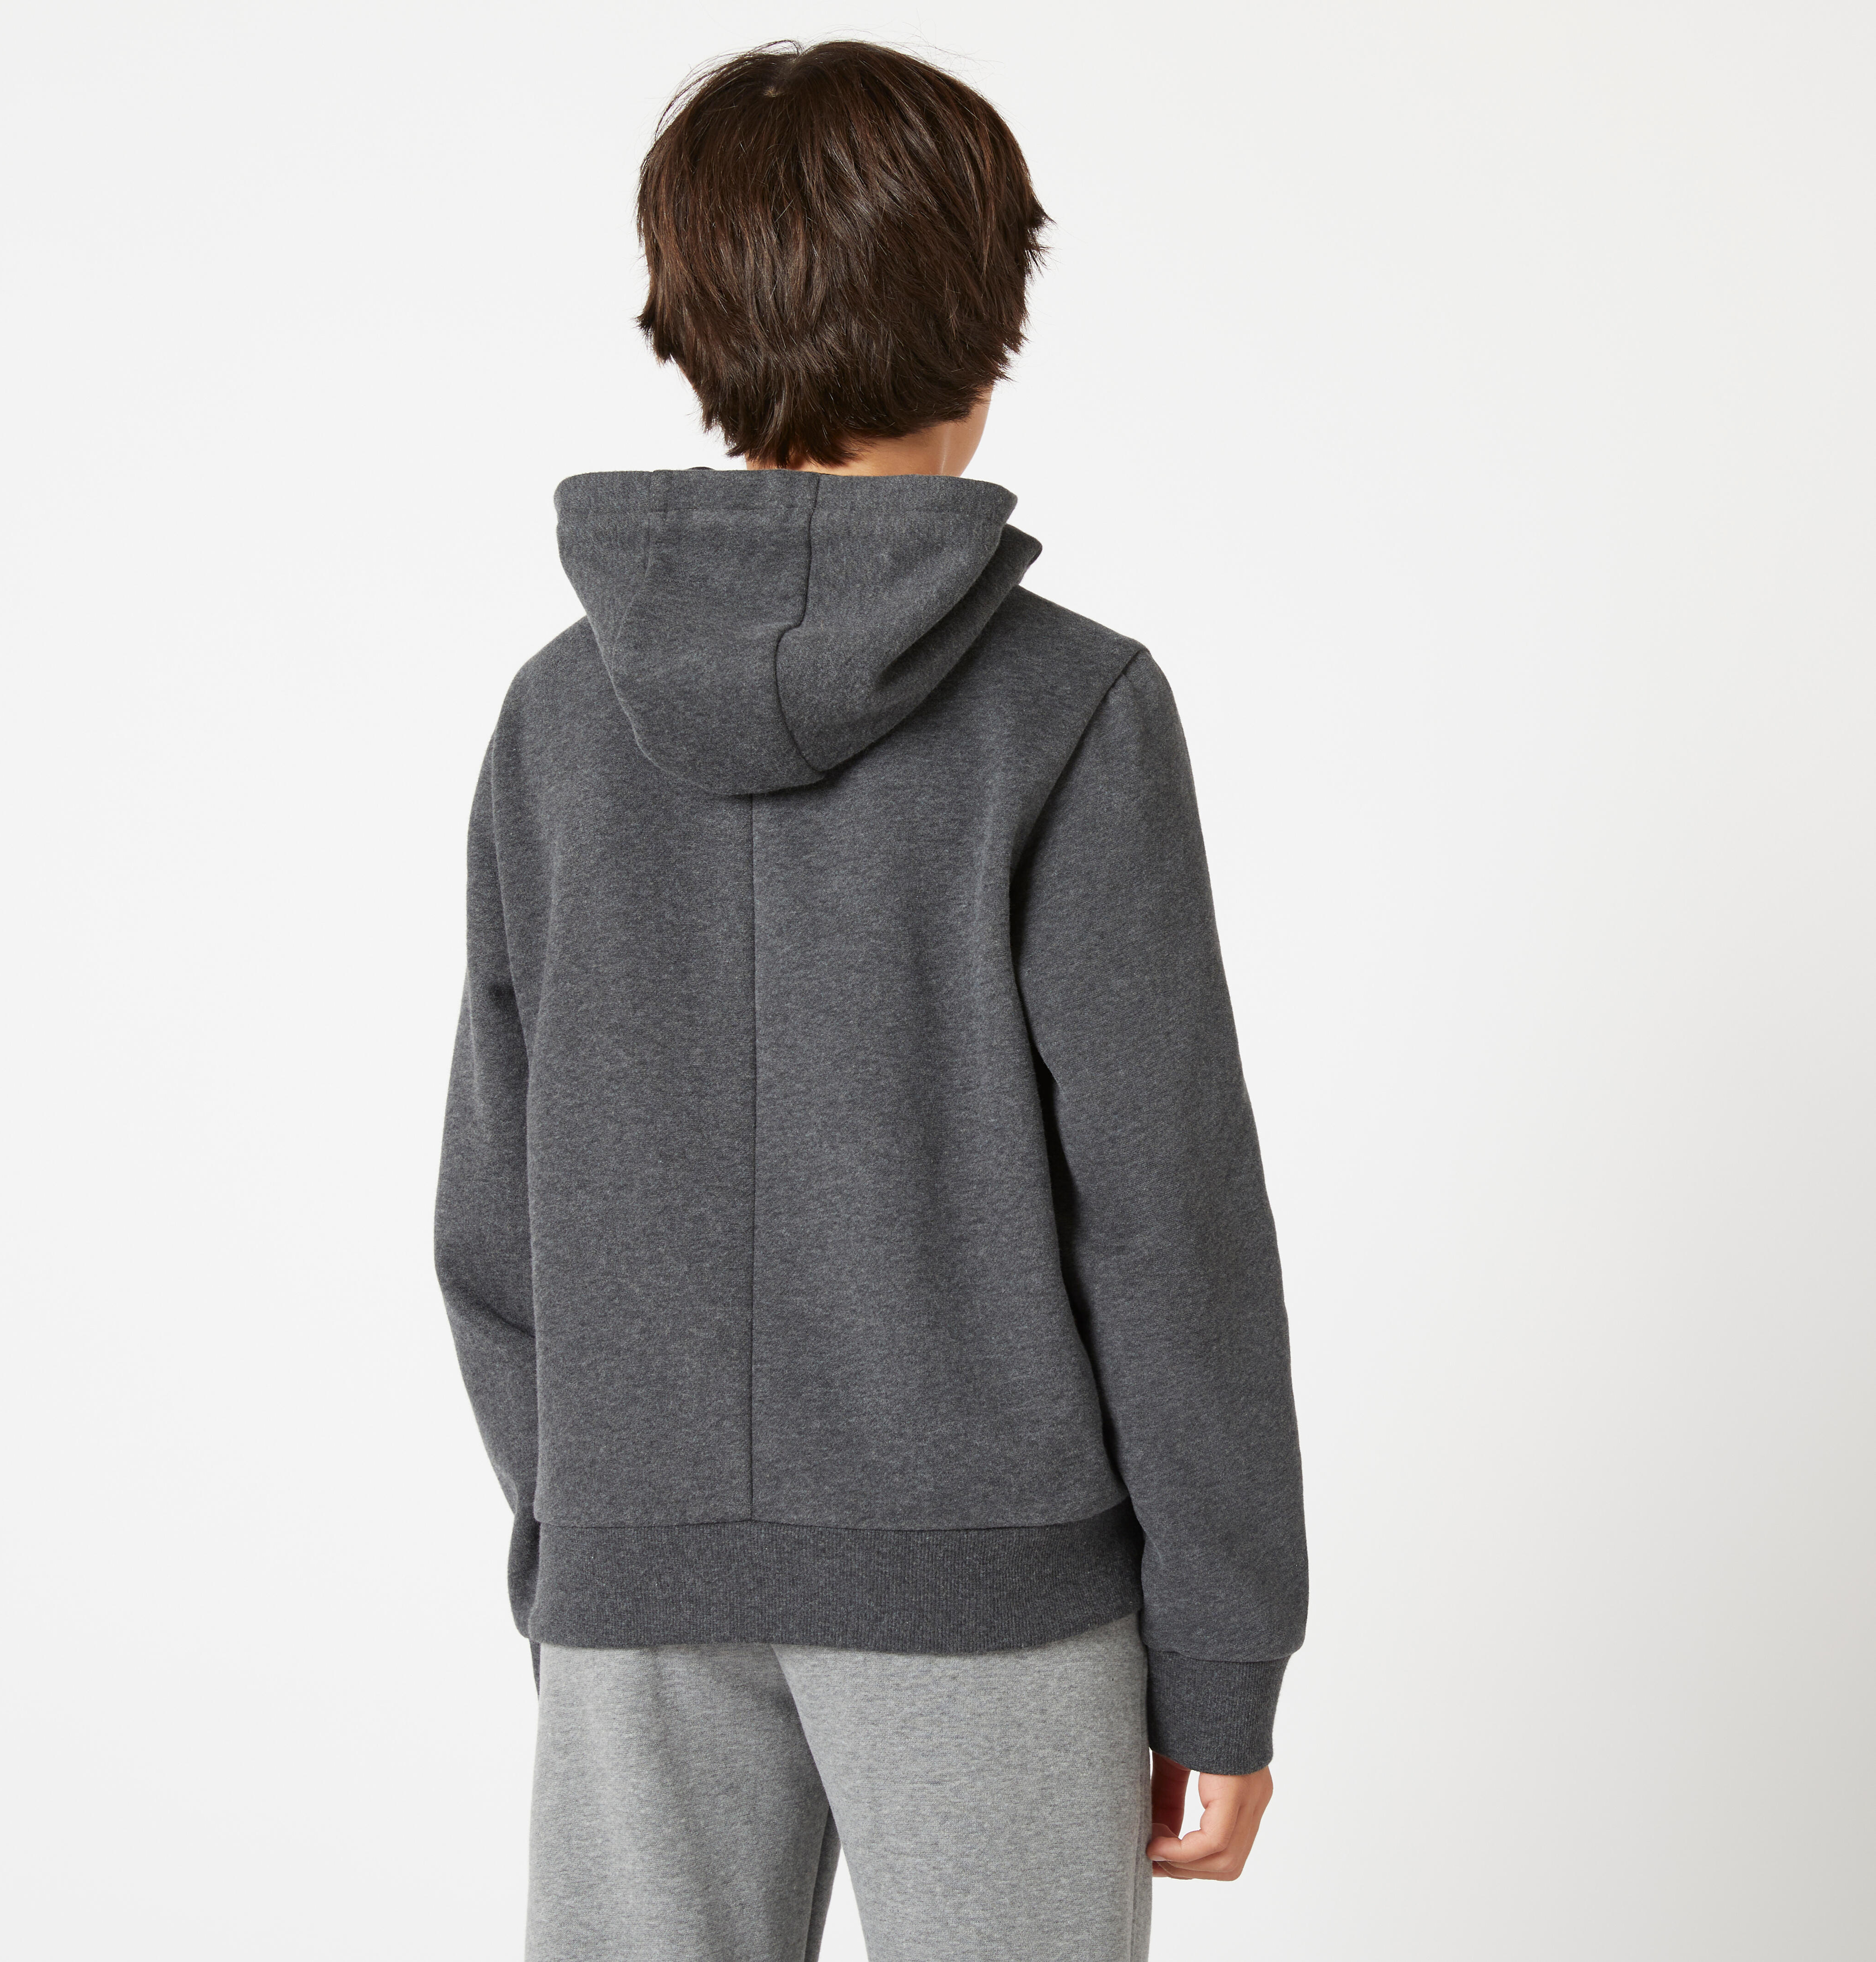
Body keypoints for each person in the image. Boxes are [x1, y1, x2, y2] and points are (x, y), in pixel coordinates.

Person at [434, 39, 1307, 1962]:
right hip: (993, 1589)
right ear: (991, 319)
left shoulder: (557, 718)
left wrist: (587, 1539)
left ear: (690, 324)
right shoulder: (1072, 709)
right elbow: (1165, 1218)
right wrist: (1224, 1651)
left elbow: (492, 1225)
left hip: (637, 1578)